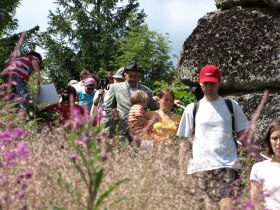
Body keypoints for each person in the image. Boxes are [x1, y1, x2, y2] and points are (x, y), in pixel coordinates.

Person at [176, 64, 259, 209]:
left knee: (227, 206)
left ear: (219, 82)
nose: (209, 87)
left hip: (227, 166)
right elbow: (184, 144)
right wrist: (182, 173)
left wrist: (259, 160)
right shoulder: (192, 109)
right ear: (200, 82)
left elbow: (244, 137)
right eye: (205, 83)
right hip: (199, 167)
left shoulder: (231, 106)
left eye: (212, 83)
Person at [104, 62, 157, 142]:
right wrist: (113, 123)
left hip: (141, 132)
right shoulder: (115, 88)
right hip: (121, 130)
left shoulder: (147, 91)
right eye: (130, 76)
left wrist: (171, 103)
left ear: (139, 76)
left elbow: (155, 109)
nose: (132, 78)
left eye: (135, 76)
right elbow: (108, 108)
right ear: (125, 75)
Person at [1, 51, 43, 117]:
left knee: (13, 97)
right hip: (17, 74)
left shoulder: (21, 60)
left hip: (6, 74)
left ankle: (13, 116)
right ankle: (21, 116)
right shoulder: (32, 58)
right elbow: (34, 62)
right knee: (22, 96)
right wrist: (39, 77)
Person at [250, 119, 280, 210]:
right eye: (274, 138)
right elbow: (255, 203)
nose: (278, 143)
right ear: (269, 142)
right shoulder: (260, 168)